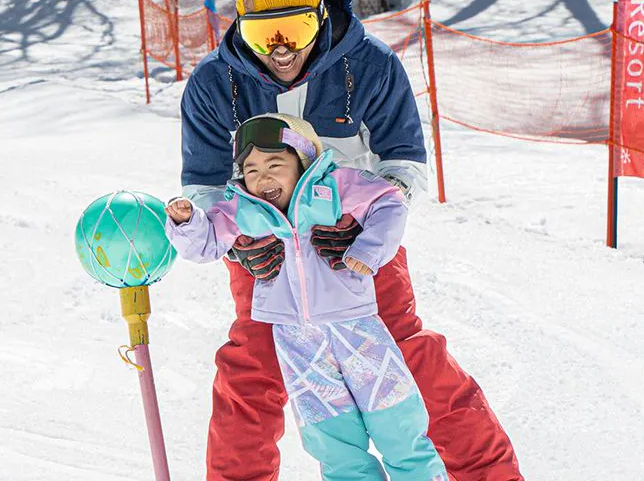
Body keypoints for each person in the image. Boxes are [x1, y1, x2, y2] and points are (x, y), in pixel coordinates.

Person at [179, 0, 522, 480]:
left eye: (292, 28)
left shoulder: (369, 66)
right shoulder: (213, 84)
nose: (280, 49)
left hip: (356, 247)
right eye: (260, 34)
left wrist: (364, 229)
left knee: (409, 360)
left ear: (319, 12)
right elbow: (202, 185)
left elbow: (404, 162)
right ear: (240, 27)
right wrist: (238, 243)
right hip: (265, 250)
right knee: (252, 370)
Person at [167, 114, 446, 481]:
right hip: (298, 341)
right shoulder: (242, 208)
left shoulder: (335, 186)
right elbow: (205, 244)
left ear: (302, 161)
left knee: (398, 427)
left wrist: (368, 249)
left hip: (356, 328)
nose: (262, 178)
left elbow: (390, 202)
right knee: (333, 443)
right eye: (251, 170)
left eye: (274, 165)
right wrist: (187, 222)